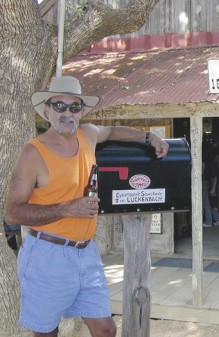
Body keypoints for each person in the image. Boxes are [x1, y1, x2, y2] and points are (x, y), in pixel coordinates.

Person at [5, 76, 169, 337]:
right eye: (59, 106)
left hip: (86, 252)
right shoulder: (33, 153)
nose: (67, 113)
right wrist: (66, 209)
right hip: (47, 253)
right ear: (46, 110)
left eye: (74, 106)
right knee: (47, 332)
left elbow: (113, 132)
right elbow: (13, 212)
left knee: (105, 329)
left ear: (81, 111)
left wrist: (149, 136)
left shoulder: (88, 135)